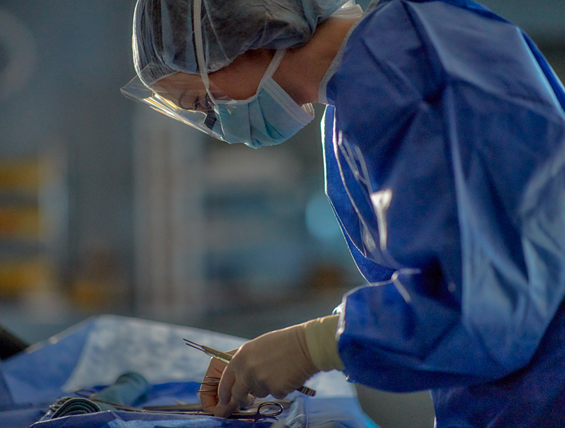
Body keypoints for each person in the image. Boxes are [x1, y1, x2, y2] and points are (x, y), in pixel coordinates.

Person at [122, 0, 565, 426]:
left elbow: (488, 306)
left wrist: (315, 346)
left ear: (246, 40)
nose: (220, 122)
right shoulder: (355, 104)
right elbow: (432, 280)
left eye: (205, 103)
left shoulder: (415, 72)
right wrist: (316, 339)